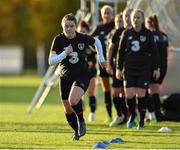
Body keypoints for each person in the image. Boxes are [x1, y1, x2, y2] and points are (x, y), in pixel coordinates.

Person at [48, 13, 106, 140]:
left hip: (82, 75)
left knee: (73, 100)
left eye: (71, 26)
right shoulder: (58, 40)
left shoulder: (82, 37)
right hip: (65, 77)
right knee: (67, 108)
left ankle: (82, 121)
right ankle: (76, 132)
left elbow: (97, 42)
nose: (68, 28)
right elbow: (51, 61)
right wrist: (64, 53)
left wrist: (101, 58)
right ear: (62, 26)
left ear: (75, 26)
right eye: (66, 26)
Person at [116, 9, 160, 129]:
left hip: (144, 69)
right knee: (129, 94)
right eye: (134, 17)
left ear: (142, 19)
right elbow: (120, 52)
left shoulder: (148, 34)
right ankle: (132, 116)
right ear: (131, 19)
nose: (136, 20)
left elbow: (154, 52)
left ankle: (141, 121)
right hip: (129, 69)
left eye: (138, 17)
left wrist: (156, 68)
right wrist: (118, 68)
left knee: (141, 94)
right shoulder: (126, 33)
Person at [91, 5, 115, 123]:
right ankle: (109, 115)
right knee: (106, 89)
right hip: (102, 63)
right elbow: (89, 40)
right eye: (105, 12)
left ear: (113, 14)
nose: (107, 14)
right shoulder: (99, 27)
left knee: (119, 89)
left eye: (109, 12)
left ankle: (124, 114)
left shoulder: (116, 26)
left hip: (115, 62)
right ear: (101, 14)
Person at [145, 14, 169, 121]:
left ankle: (155, 114)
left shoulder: (149, 36)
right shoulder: (164, 36)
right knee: (154, 90)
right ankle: (155, 114)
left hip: (152, 67)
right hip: (163, 67)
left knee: (149, 91)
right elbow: (166, 53)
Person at [106, 13, 126, 127]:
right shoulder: (115, 33)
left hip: (129, 67)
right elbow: (110, 50)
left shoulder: (128, 32)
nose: (119, 23)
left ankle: (128, 115)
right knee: (116, 92)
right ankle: (119, 115)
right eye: (117, 21)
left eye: (121, 21)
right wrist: (108, 64)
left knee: (127, 93)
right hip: (116, 66)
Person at [77, 20, 98, 122]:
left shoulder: (91, 44)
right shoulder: (75, 44)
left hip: (91, 72)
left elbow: (96, 54)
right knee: (77, 93)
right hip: (78, 73)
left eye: (84, 31)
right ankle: (80, 109)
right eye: (80, 31)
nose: (82, 33)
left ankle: (92, 113)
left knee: (91, 92)